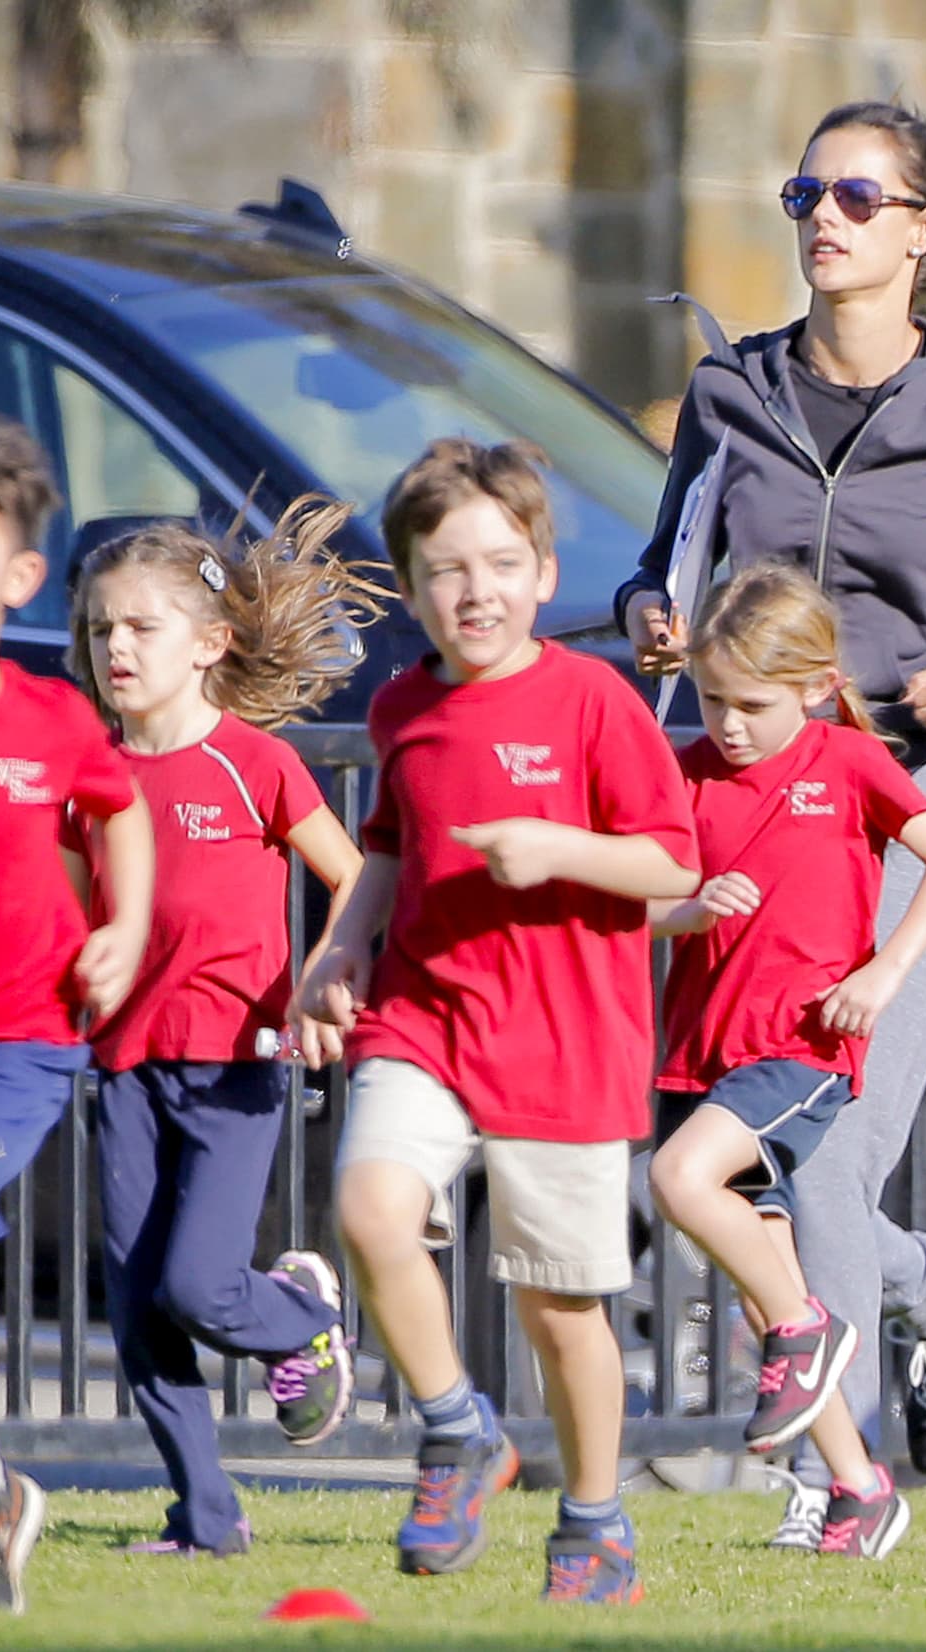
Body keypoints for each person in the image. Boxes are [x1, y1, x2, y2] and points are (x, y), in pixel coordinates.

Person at [615, 100, 926, 1533]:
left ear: (921, 228)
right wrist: (654, 618)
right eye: (803, 192)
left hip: (911, 807)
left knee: (828, 1150)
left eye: (853, 195)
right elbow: (661, 570)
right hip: (763, 815)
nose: (821, 218)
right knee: (766, 1151)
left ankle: (824, 1489)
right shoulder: (731, 395)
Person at [295, 438, 699, 1604]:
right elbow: (385, 845)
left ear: (544, 569)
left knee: (558, 1307)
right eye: (444, 569)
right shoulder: (403, 705)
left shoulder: (593, 701)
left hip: (566, 1038)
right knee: (369, 1207)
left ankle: (592, 1517)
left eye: (500, 562)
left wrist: (559, 849)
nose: (474, 590)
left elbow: (671, 866)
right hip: (423, 1014)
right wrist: (338, 948)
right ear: (411, 586)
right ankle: (454, 1427)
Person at [65, 498, 388, 1557]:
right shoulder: (88, 772)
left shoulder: (254, 762)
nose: (116, 646)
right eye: (101, 628)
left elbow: (351, 880)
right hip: (123, 1064)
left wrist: (320, 986)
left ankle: (299, 1315)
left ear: (207, 645)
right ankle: (204, 1518)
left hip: (237, 1063)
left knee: (198, 1282)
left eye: (141, 628)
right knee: (139, 1298)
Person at [649, 563, 926, 1559]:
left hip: (799, 1050)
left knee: (675, 1179)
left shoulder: (842, 761)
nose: (729, 723)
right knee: (761, 1282)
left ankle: (805, 1324)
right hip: (698, 1055)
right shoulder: (685, 771)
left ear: (816, 684)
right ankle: (858, 1488)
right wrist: (685, 911)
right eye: (711, 699)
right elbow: (636, 904)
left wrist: (881, 972)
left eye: (751, 703)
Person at [0, 411, 153, 1611]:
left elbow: (119, 812)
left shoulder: (49, 719)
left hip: (21, 1037)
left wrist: (125, 927)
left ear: (20, 576)